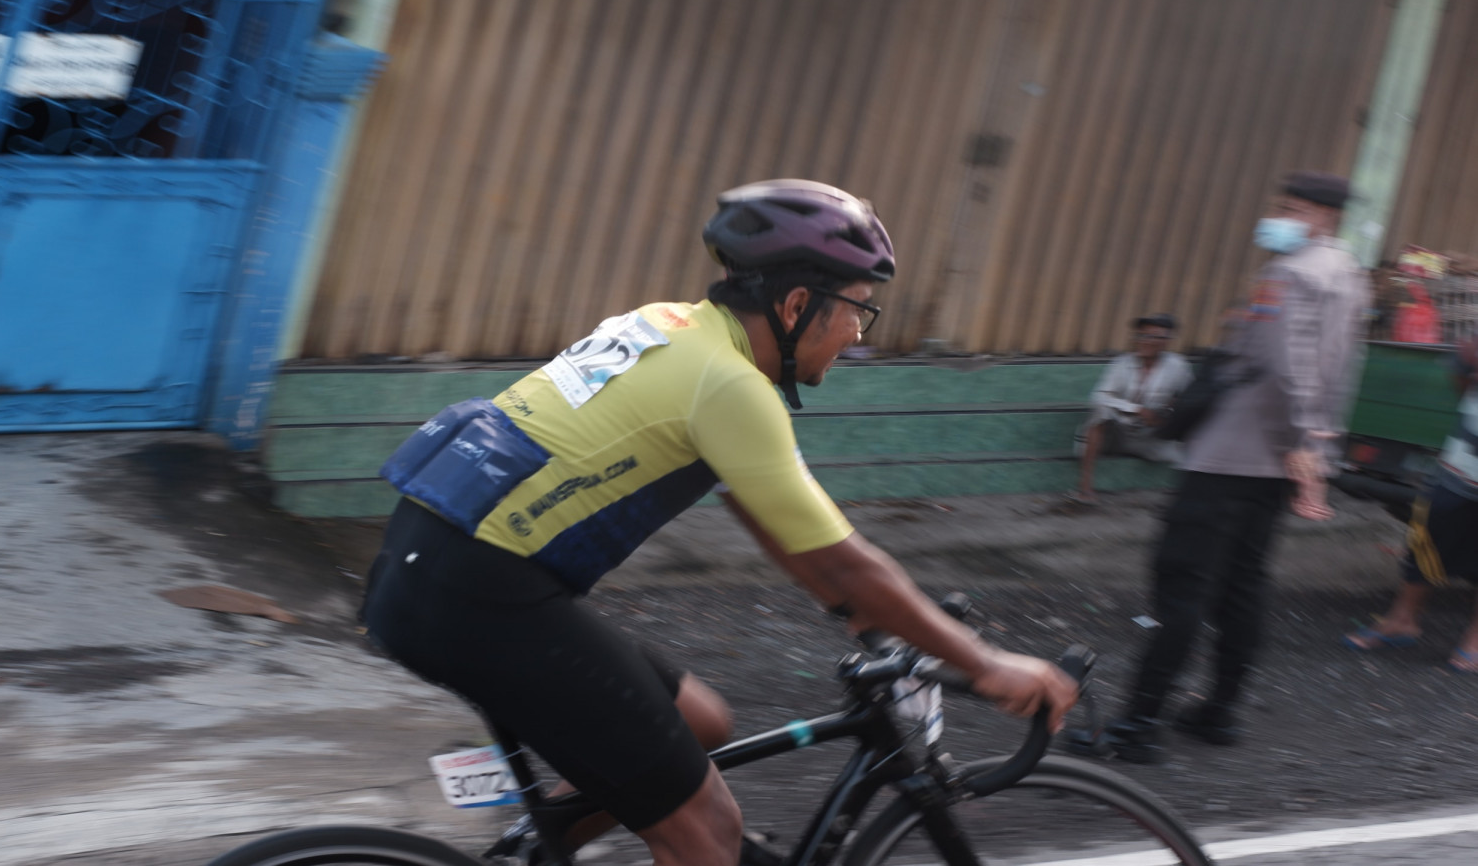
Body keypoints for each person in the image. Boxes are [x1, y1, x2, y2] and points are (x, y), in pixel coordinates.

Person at [359, 179, 1078, 866]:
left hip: (427, 562)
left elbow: (787, 532)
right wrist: (985, 663)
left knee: (701, 722)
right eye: (857, 309)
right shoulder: (728, 385)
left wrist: (863, 617)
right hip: (478, 597)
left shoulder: (668, 325)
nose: (857, 333)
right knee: (707, 835)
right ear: (797, 305)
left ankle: (537, 852)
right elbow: (842, 561)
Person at [1074, 171, 1369, 763]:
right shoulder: (1350, 276)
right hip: (1275, 469)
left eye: (1291, 208)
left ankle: (1138, 726)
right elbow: (1339, 374)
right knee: (1241, 587)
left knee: (1182, 587)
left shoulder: (1288, 274)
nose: (1280, 217)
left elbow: (1286, 368)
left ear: (1323, 216)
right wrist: (1315, 450)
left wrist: (1296, 442)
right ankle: (1219, 712)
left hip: (1231, 458)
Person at [1343, 335, 1478, 673]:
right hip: (1461, 463)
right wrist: (1467, 366)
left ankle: (1475, 641)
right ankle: (1401, 620)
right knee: (1426, 537)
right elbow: (1464, 380)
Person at [1069, 313, 1192, 505]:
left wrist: (1169, 411)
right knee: (1101, 410)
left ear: (1166, 341)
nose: (1145, 341)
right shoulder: (1122, 363)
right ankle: (1085, 487)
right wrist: (1137, 409)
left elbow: (1191, 399)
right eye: (1142, 335)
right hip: (1115, 433)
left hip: (1149, 436)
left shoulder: (1177, 366)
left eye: (1153, 337)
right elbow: (1099, 396)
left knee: (1190, 450)